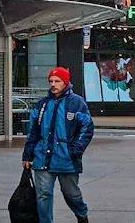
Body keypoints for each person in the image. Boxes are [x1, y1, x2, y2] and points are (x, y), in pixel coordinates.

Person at [23, 67, 94, 223]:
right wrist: (27, 155)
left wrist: (74, 150)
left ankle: (82, 216)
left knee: (71, 194)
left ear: (65, 82)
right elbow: (33, 132)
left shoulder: (77, 103)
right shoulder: (41, 105)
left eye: (57, 81)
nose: (53, 84)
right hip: (43, 156)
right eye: (51, 81)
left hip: (66, 158)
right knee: (43, 195)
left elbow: (87, 128)